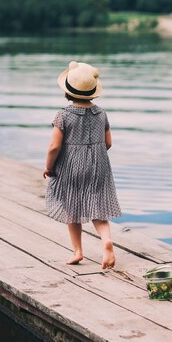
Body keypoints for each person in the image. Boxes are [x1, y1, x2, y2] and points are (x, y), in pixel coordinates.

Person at [43, 61, 121, 269]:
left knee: (71, 208)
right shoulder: (101, 113)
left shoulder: (63, 115)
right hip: (99, 165)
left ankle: (78, 252)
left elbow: (54, 147)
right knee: (98, 208)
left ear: (68, 91)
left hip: (70, 167)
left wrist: (49, 167)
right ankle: (106, 240)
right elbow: (109, 143)